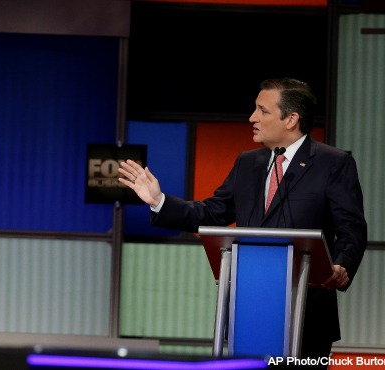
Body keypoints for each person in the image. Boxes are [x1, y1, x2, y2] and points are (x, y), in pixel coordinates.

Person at [118, 78, 367, 365]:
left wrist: (342, 264)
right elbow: (213, 213)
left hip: (308, 310)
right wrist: (158, 200)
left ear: (291, 119)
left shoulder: (333, 163)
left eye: (262, 111)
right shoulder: (248, 163)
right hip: (249, 307)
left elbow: (352, 227)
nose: (252, 118)